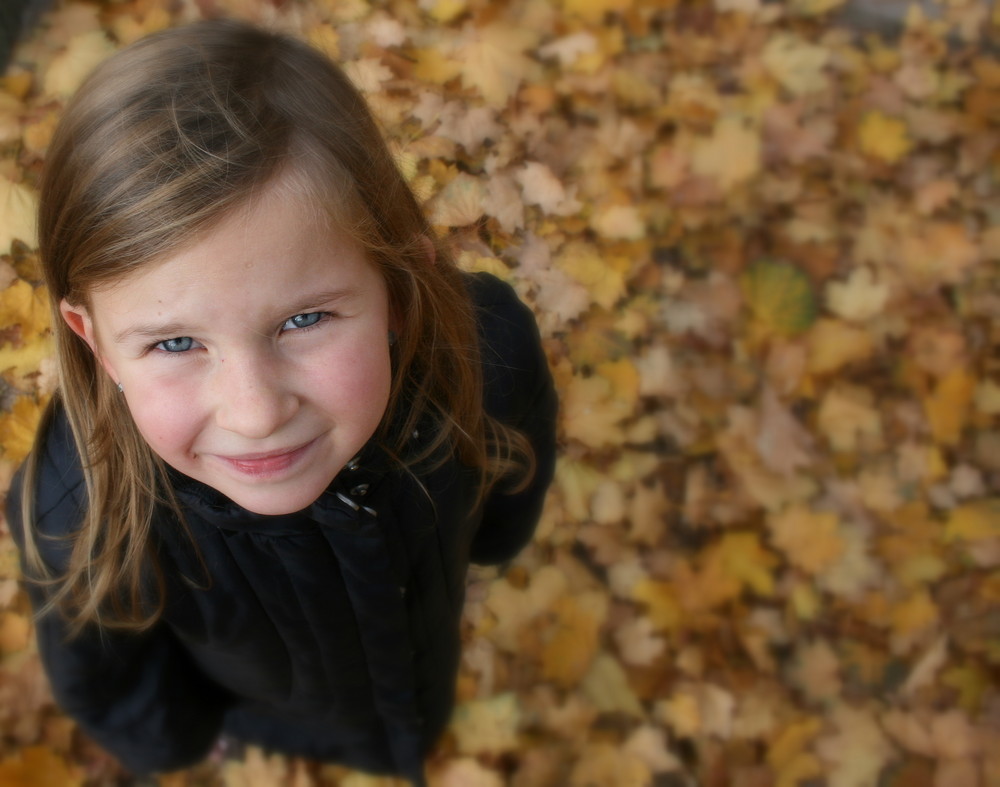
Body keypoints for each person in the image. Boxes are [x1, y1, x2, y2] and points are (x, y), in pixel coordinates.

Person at [6, 19, 557, 786]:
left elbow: (512, 473)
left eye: (304, 320)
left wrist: (495, 541)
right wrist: (182, 743)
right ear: (93, 340)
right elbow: (108, 675)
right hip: (271, 721)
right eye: (173, 343)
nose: (255, 411)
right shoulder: (77, 501)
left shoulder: (483, 347)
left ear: (397, 288)